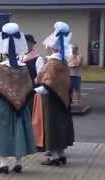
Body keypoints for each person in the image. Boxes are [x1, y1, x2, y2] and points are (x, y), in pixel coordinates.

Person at [0, 22, 36, 174]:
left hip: (4, 106)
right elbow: (28, 87)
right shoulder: (23, 66)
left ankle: (3, 164)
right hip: (22, 106)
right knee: (19, 131)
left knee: (4, 132)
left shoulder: (0, 67)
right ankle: (19, 163)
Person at [36, 21, 75, 166]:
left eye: (47, 46)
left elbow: (48, 83)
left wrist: (34, 91)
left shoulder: (52, 63)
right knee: (61, 126)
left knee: (52, 126)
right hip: (62, 99)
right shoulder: (63, 62)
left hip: (51, 100)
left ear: (52, 48)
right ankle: (61, 154)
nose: (46, 48)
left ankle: (54, 157)